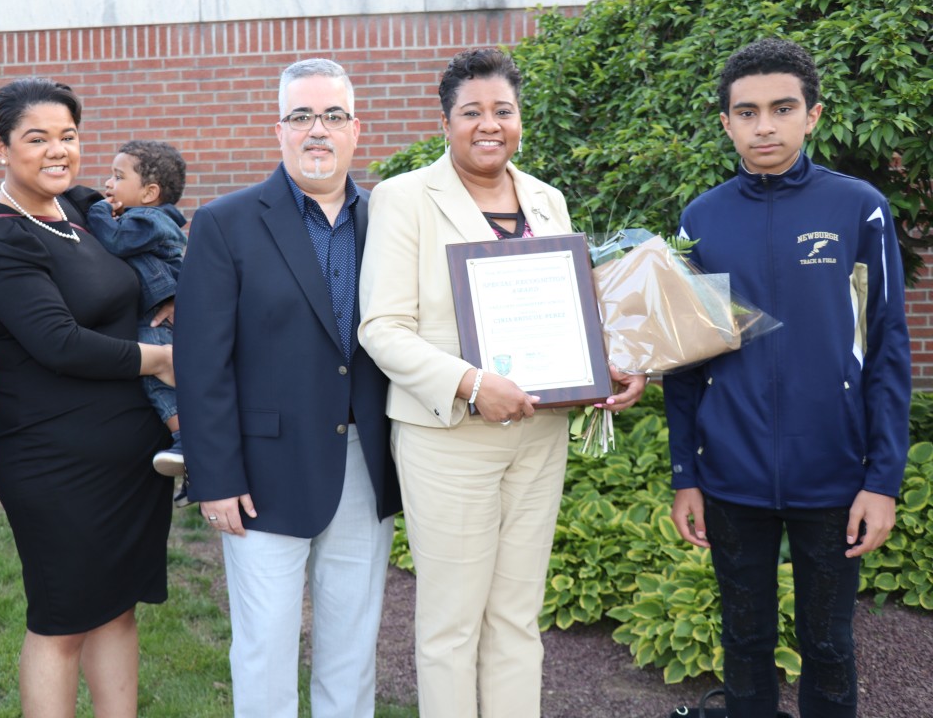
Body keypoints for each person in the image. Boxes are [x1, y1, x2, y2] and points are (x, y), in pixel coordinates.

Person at [357, 48, 645, 718]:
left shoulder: (548, 198)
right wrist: (468, 382)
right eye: (472, 112)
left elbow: (566, 312)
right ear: (446, 121)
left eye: (504, 111)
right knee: (452, 624)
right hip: (450, 440)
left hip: (540, 436)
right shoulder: (404, 199)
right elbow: (383, 328)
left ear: (520, 120)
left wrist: (604, 366)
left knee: (517, 616)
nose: (490, 124)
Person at [665, 37, 911, 718]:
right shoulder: (701, 219)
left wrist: (881, 482)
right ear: (726, 123)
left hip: (833, 474)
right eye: (746, 112)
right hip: (732, 477)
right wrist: (686, 472)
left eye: (781, 108)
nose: (764, 125)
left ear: (813, 115)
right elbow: (684, 358)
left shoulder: (857, 208)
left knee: (828, 644)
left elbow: (889, 347)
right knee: (743, 641)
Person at [173, 58, 402, 718]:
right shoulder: (226, 223)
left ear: (357, 129)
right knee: (265, 648)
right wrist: (214, 475)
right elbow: (200, 361)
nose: (317, 130)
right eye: (301, 116)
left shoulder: (389, 219)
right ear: (279, 130)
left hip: (365, 462)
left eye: (332, 115)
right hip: (260, 475)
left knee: (352, 648)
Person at [0, 77, 175, 718]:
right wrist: (161, 358)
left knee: (116, 611)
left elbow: (159, 234)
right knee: (62, 621)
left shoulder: (82, 213)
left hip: (128, 461)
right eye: (37, 138)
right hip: (58, 461)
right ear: (0, 146)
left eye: (69, 136)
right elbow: (58, 342)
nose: (58, 150)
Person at [86, 140, 189, 502]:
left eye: (117, 176)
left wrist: (96, 208)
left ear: (149, 193)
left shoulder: (146, 221)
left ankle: (186, 443)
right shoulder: (149, 218)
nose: (109, 185)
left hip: (156, 320)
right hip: (158, 312)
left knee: (159, 384)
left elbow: (114, 242)